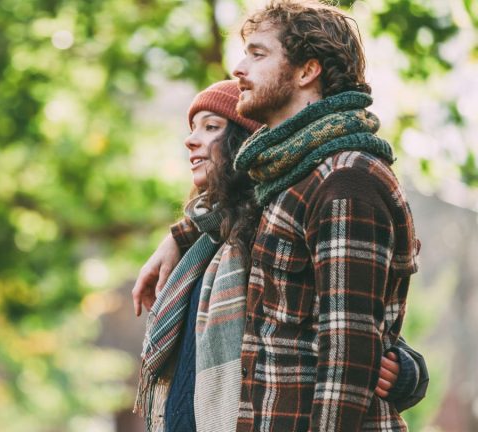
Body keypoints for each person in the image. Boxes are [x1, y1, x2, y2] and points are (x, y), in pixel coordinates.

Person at [134, 1, 428, 430]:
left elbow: (346, 357)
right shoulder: (287, 180)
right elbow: (235, 208)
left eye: (257, 54)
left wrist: (409, 371)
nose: (239, 68)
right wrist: (178, 236)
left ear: (307, 71)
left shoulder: (345, 179)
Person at [134, 80, 262, 432]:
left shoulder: (265, 233)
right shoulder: (205, 243)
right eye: (193, 129)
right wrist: (176, 238)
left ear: (244, 141)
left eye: (210, 127)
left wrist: (406, 372)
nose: (191, 140)